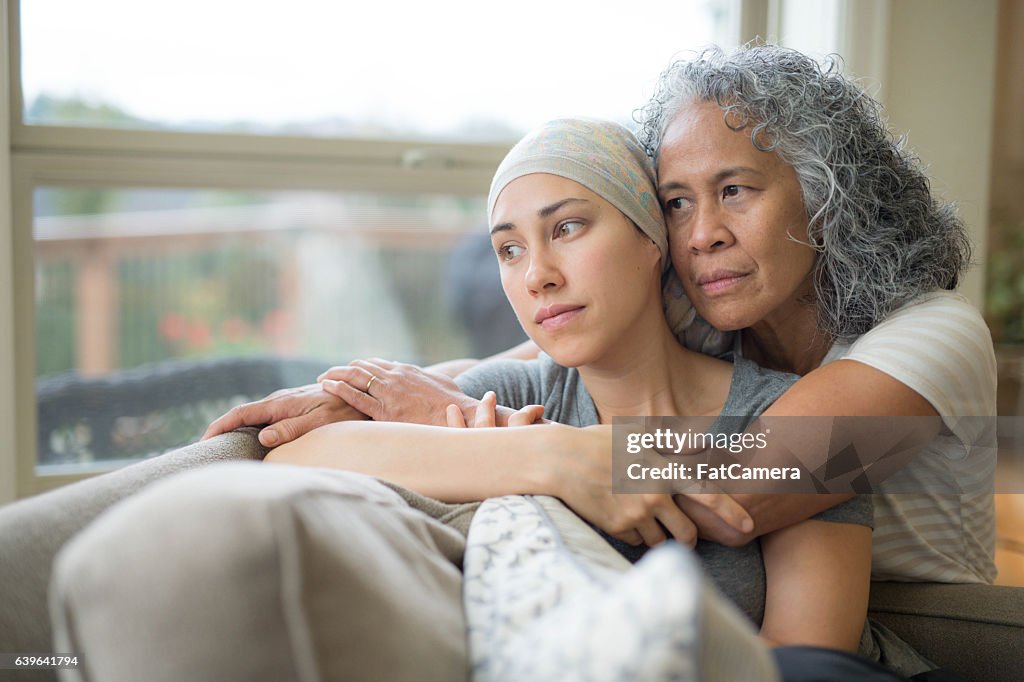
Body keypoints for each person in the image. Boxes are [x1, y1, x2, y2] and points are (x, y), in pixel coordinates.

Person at [50, 118, 902, 682]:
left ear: (652, 242)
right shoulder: (525, 399)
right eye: (509, 247)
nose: (537, 275)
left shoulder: (785, 417)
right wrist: (548, 457)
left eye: (568, 227)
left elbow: (804, 660)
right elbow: (296, 456)